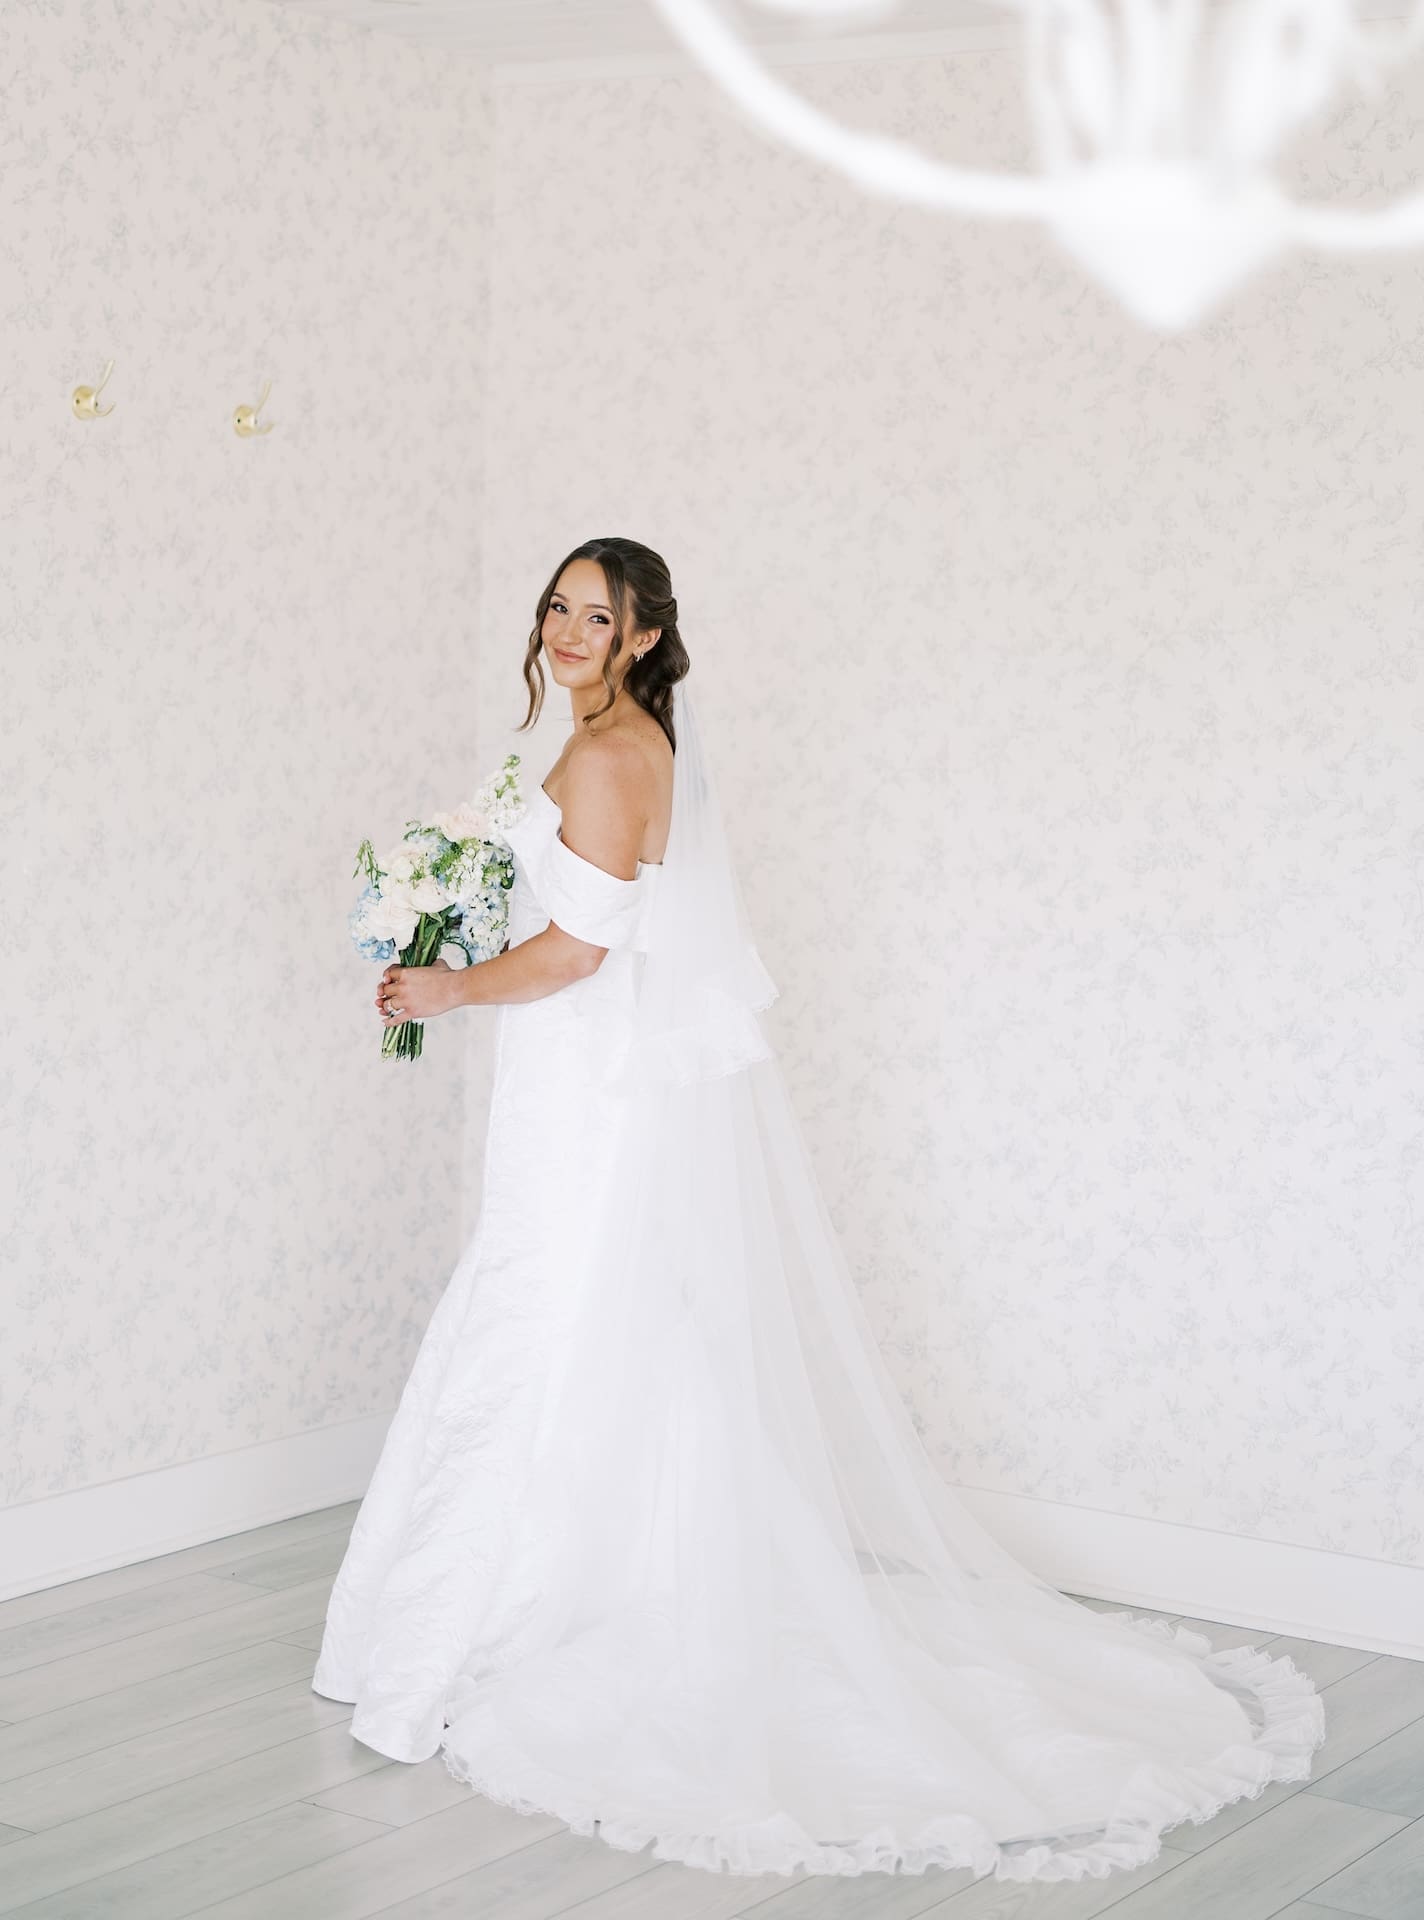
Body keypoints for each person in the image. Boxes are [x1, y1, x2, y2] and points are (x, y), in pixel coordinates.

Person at [311, 536, 1324, 1883]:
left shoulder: (615, 759)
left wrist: (449, 987)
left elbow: (578, 950)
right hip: (562, 1086)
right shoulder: (603, 743)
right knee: (572, 1324)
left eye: (595, 617)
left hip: (584, 1095)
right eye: (556, 608)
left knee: (537, 1320)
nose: (565, 631)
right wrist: (444, 928)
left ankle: (474, 1631)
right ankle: (561, 1592)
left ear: (644, 638)